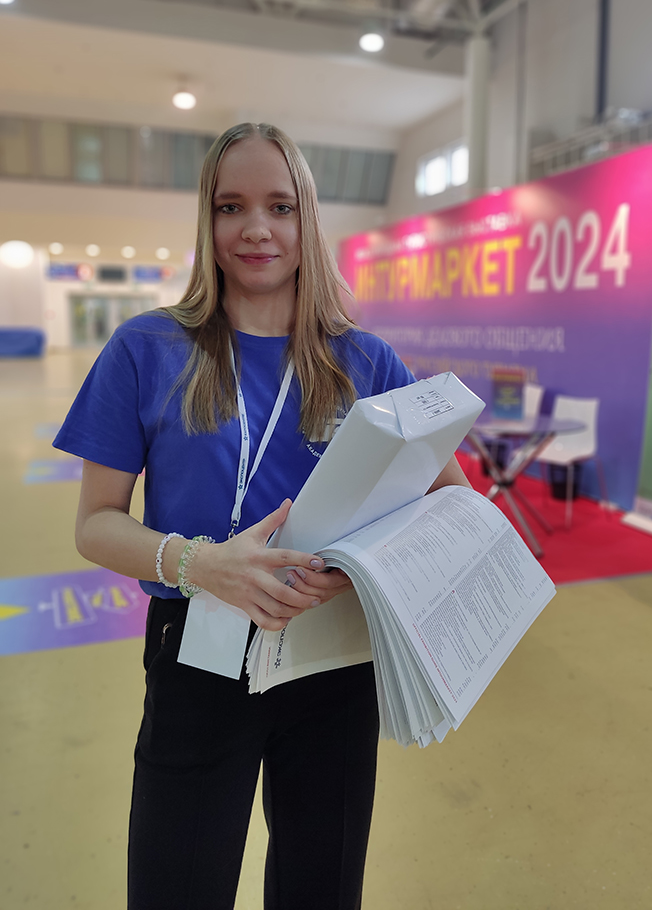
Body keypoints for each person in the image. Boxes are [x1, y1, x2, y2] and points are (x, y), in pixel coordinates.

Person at [54, 121, 470, 910]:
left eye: (280, 207)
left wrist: (365, 570)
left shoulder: (365, 360)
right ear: (206, 220)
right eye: (231, 206)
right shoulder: (146, 350)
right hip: (198, 650)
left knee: (322, 884)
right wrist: (200, 564)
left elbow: (450, 505)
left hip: (335, 655)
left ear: (307, 220)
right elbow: (96, 523)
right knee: (178, 885)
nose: (256, 228)